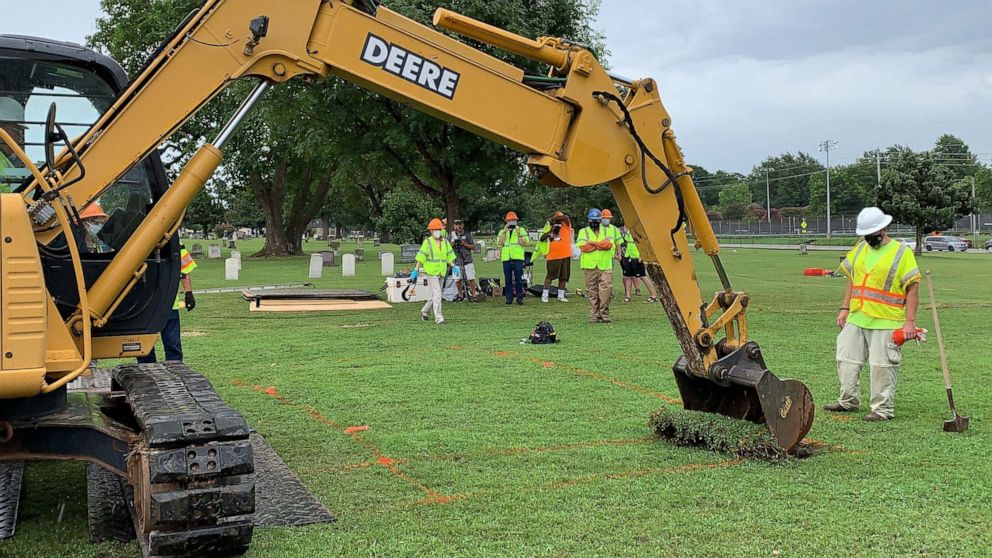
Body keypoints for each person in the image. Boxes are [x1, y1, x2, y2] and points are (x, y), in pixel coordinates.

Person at [826, 207, 920, 421]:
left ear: (884, 229)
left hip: (886, 320)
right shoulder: (860, 248)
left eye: (872, 234)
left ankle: (882, 410)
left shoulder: (901, 252)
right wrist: (844, 308)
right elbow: (852, 279)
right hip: (857, 317)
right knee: (846, 359)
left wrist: (909, 323)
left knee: (882, 367)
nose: (869, 238)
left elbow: (912, 288)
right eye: (865, 235)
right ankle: (848, 401)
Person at [138, 243, 197, 363]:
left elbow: (184, 270)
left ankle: (176, 371)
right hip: (144, 304)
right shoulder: (139, 239)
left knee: (173, 344)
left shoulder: (176, 245)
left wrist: (188, 293)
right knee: (144, 347)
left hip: (168, 304)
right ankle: (147, 373)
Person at [576, 209, 615, 323]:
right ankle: (594, 315)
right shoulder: (584, 232)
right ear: (589, 220)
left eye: (597, 220)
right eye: (593, 220)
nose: (595, 222)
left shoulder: (608, 231)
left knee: (606, 290)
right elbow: (583, 248)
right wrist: (600, 244)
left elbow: (608, 245)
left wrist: (592, 243)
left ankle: (604, 314)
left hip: (605, 265)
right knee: (592, 291)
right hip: (589, 266)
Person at [415, 218, 455, 324]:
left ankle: (425, 311)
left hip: (442, 271)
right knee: (437, 294)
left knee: (437, 294)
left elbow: (448, 257)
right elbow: (421, 258)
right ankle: (439, 318)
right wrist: (416, 270)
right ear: (431, 231)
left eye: (439, 229)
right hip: (431, 271)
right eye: (435, 229)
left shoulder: (445, 242)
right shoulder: (427, 242)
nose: (438, 231)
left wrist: (453, 266)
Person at [619, 224, 658, 303]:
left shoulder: (640, 230)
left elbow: (645, 243)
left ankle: (653, 295)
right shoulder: (628, 230)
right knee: (628, 276)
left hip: (637, 257)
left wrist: (641, 256)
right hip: (628, 255)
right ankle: (628, 296)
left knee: (643, 276)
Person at [539, 211, 572, 303]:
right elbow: (542, 238)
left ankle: (561, 295)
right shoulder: (551, 228)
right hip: (553, 256)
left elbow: (565, 218)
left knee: (563, 277)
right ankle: (545, 295)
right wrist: (551, 231)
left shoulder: (566, 225)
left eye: (559, 219)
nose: (559, 221)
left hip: (565, 255)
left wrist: (554, 219)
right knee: (550, 276)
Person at [497, 211, 528, 305]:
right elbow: (500, 243)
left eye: (513, 221)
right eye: (509, 221)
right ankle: (509, 298)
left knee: (519, 279)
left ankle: (520, 298)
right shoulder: (502, 231)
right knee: (508, 279)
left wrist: (519, 234)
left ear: (516, 221)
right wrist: (504, 232)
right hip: (506, 258)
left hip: (517, 258)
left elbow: (524, 243)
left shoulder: (521, 230)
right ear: (506, 222)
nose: (511, 223)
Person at [449, 219, 479, 301]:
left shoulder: (467, 234)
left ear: (462, 225)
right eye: (456, 224)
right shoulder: (451, 235)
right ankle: (460, 295)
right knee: (457, 279)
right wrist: (452, 244)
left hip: (467, 259)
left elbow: (473, 247)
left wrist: (464, 244)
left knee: (470, 277)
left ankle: (474, 295)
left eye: (460, 224)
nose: (458, 226)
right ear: (454, 226)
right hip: (457, 259)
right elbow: (448, 248)